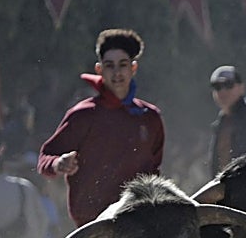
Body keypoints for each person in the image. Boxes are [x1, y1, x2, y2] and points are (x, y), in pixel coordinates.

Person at [37, 29, 165, 225]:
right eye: (109, 66)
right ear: (99, 70)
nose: (117, 73)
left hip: (139, 222)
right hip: (94, 225)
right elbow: (45, 157)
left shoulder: (150, 117)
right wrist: (58, 164)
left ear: (133, 68)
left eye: (123, 65)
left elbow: (154, 171)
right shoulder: (83, 114)